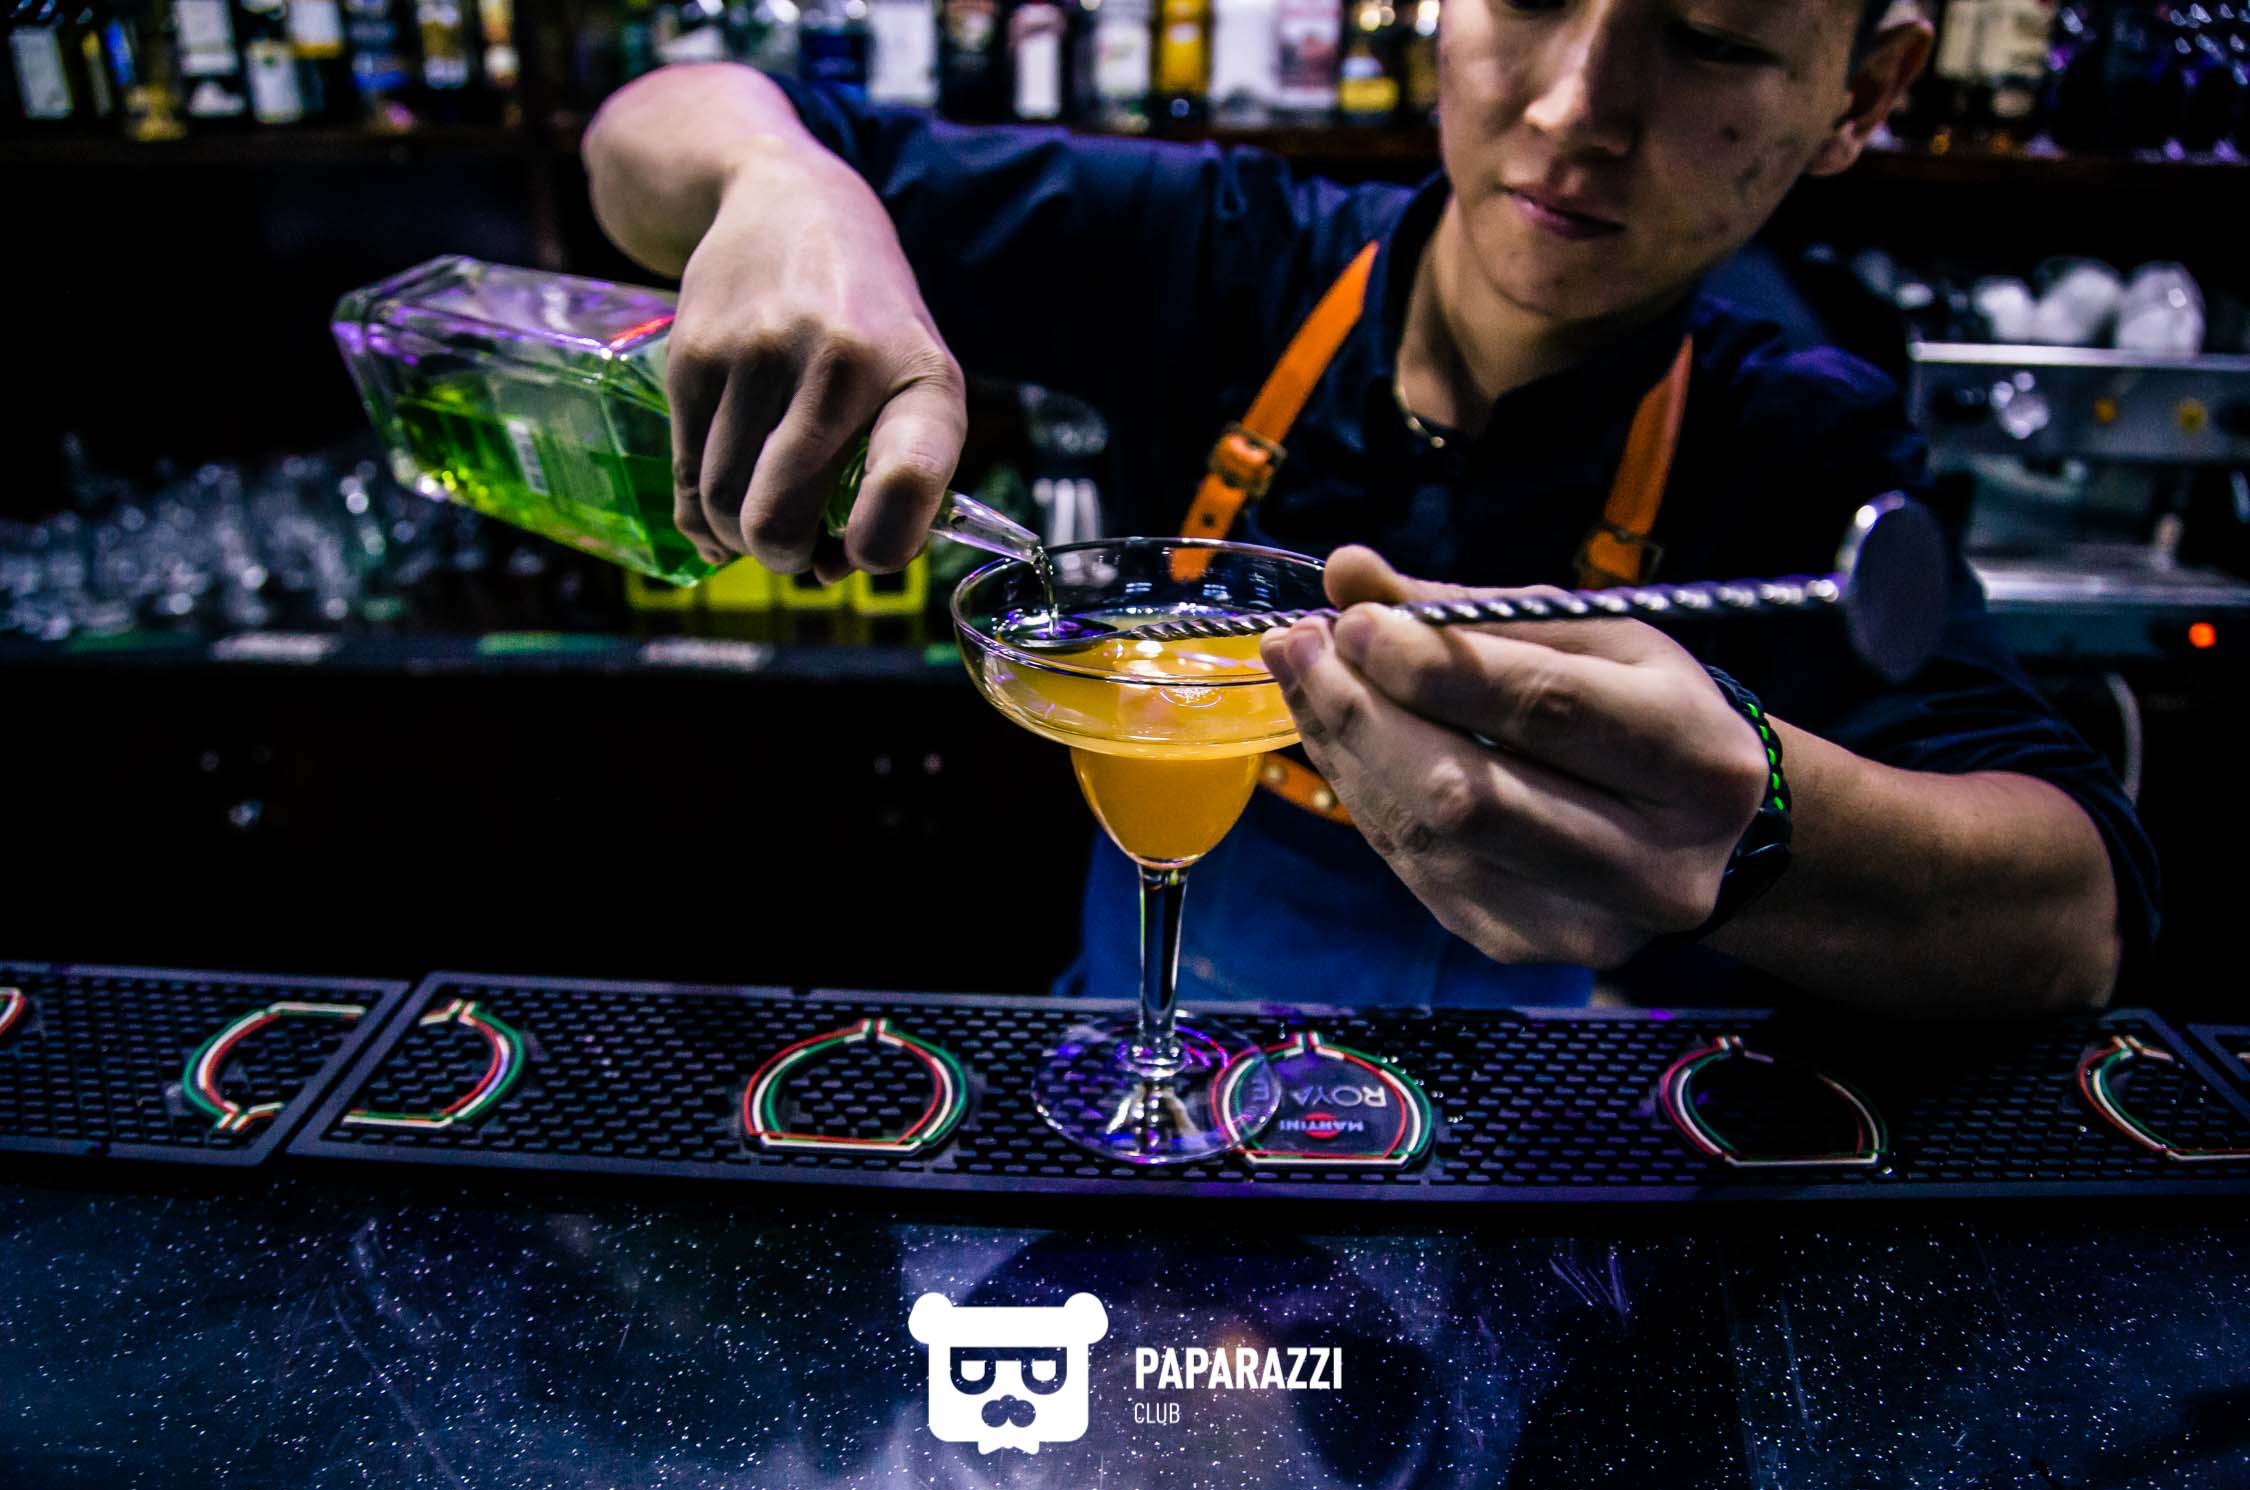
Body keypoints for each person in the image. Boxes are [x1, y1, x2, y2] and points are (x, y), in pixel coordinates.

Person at [582, 0, 2157, 1018]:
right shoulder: (1214, 249)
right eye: (1528, 0)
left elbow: (2078, 915)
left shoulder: (1800, 440)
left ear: (1861, 92)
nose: (1576, 110)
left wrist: (1754, 831)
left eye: (1709, 39)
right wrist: (786, 188)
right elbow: (654, 125)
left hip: (1522, 1188)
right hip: (1152, 1073)